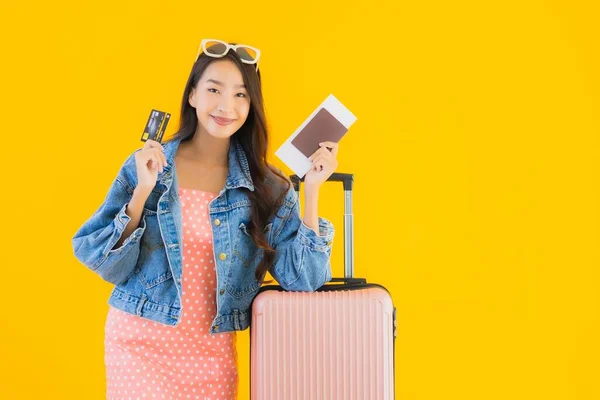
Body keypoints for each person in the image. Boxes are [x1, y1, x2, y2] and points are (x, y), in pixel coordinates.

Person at [71, 38, 340, 399]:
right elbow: (106, 263)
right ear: (193, 95)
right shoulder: (150, 166)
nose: (226, 105)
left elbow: (304, 279)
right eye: (214, 89)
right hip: (139, 345)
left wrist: (311, 191)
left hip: (211, 357)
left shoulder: (267, 186)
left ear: (252, 105)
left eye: (241, 95)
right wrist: (142, 191)